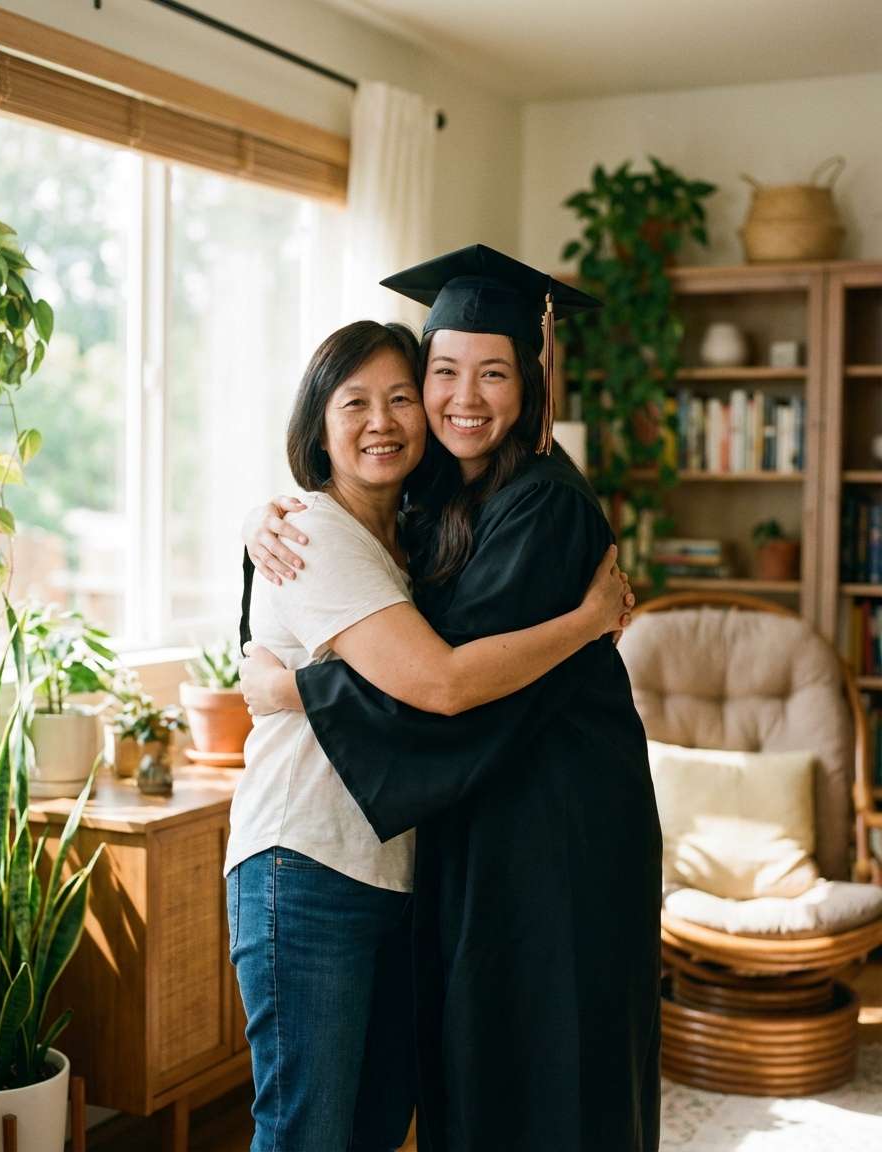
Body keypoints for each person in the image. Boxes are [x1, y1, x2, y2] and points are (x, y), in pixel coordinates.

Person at [240, 245, 663, 1152]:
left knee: (545, 1079)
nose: (462, 398)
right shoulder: (435, 500)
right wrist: (259, 525)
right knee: (462, 1081)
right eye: (442, 372)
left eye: (495, 372)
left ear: (532, 382)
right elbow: (352, 603)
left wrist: (293, 689)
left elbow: (443, 682)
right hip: (474, 831)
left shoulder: (541, 505)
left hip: (557, 837)